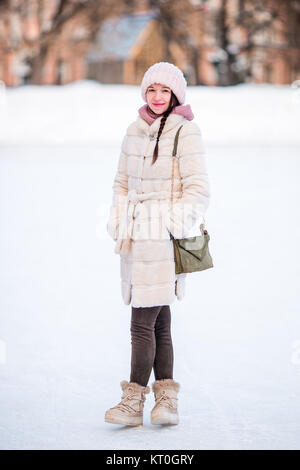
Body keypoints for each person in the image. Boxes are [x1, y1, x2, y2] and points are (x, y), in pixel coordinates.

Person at [105, 62, 210, 426]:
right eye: (151, 90)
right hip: (136, 238)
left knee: (140, 323)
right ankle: (166, 402)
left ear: (176, 94)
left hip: (163, 239)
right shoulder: (134, 131)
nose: (158, 97)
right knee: (160, 322)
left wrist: (169, 224)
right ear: (144, 93)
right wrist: (119, 219)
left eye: (165, 90)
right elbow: (120, 182)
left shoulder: (186, 131)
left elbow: (198, 189)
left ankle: (132, 403)